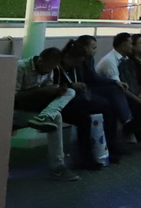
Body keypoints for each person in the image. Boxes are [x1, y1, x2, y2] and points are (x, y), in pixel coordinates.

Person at [14, 47, 80, 181]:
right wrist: (43, 91)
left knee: (70, 92)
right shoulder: (20, 68)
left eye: (51, 69)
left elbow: (46, 90)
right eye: (47, 68)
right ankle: (58, 166)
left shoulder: (51, 69)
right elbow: (13, 97)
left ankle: (46, 115)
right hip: (17, 110)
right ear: (40, 60)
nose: (48, 72)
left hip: (36, 108)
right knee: (57, 117)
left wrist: (55, 92)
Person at [53, 43, 109, 171]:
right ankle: (86, 158)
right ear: (68, 57)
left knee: (105, 108)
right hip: (61, 103)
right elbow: (55, 88)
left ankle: (103, 150)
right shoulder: (56, 69)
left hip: (75, 100)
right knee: (84, 119)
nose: (77, 64)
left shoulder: (74, 68)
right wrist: (72, 86)